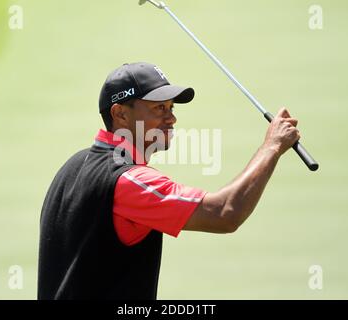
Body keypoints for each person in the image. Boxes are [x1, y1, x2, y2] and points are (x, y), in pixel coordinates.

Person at [37, 62, 300, 300]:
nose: (172, 118)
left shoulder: (71, 167)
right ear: (120, 114)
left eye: (171, 108)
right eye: (158, 108)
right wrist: (272, 147)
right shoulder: (130, 181)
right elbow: (225, 212)